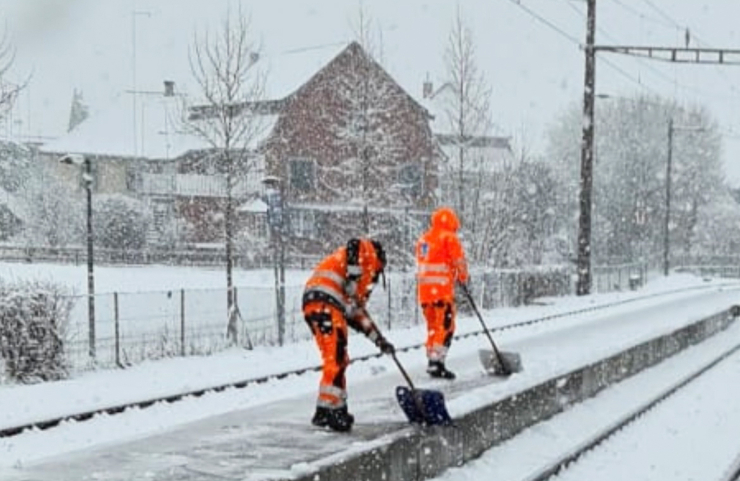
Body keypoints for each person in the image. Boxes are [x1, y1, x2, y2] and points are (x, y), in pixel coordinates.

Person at [303, 238, 395, 432]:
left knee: (338, 358)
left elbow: (357, 316)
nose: (375, 281)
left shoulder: (350, 282)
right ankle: (325, 412)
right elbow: (355, 244)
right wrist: (354, 278)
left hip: (317, 304)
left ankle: (336, 408)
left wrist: (380, 341)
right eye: (378, 274)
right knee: (335, 359)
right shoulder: (367, 255)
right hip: (324, 303)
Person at [415, 206, 469, 380]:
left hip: (425, 294)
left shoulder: (424, 239)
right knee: (446, 327)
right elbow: (458, 260)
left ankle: (432, 359)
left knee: (433, 328)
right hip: (442, 292)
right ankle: (437, 363)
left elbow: (427, 262)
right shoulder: (449, 238)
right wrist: (462, 277)